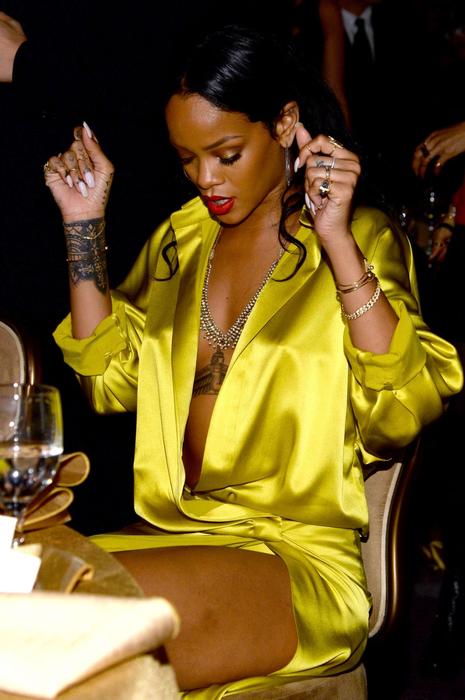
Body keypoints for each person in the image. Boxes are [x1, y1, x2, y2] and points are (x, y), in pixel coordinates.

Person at [44, 25, 462, 696]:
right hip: (174, 535)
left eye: (227, 154)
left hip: (292, 559)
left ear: (285, 123)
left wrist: (337, 242)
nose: (205, 179)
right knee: (20, 590)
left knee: (64, 625)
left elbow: (401, 411)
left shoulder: (357, 238)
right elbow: (108, 380)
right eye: (187, 159)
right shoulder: (182, 240)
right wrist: (83, 225)